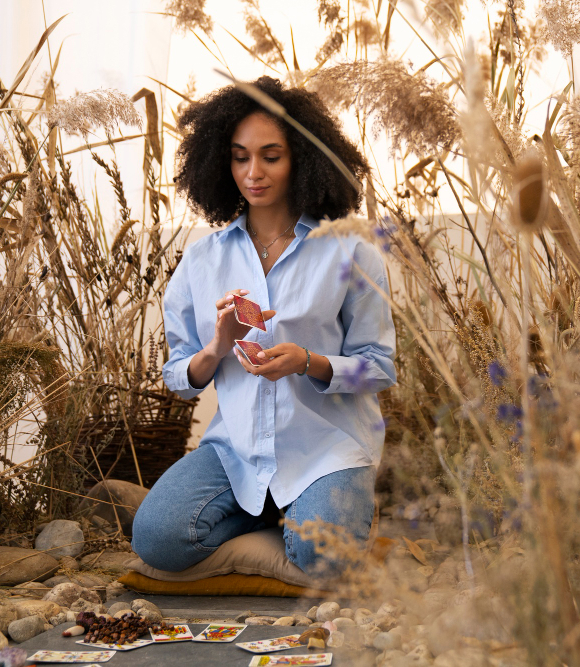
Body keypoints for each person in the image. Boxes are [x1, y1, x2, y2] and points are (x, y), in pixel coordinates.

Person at [130, 77, 396, 581]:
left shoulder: (351, 251)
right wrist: (216, 348)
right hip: (237, 451)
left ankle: (316, 511)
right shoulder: (202, 259)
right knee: (157, 538)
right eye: (239, 156)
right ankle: (271, 513)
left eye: (270, 156)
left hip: (327, 446)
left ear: (301, 158)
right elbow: (177, 373)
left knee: (324, 556)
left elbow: (378, 366)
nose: (253, 173)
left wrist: (309, 362)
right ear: (221, 162)